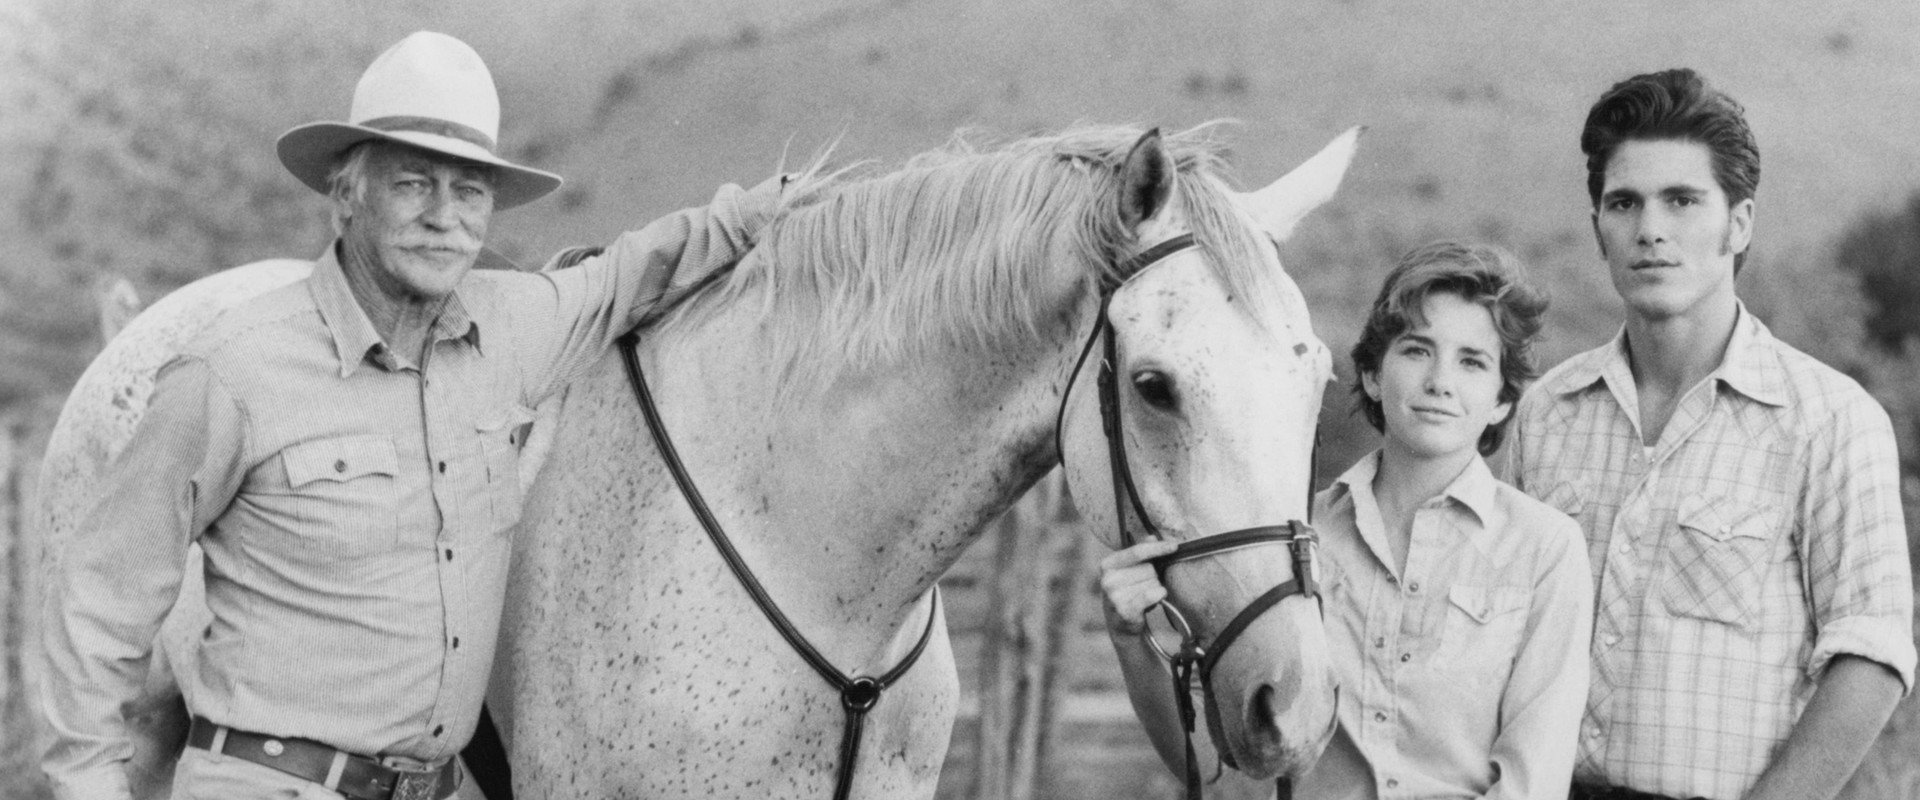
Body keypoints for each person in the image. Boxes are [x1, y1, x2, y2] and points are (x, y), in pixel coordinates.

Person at [39, 31, 787, 800]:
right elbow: (100, 595)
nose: (444, 217)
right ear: (345, 195)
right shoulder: (233, 368)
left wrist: (783, 204)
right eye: (412, 184)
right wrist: (90, 784)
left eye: (469, 192)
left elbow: (634, 270)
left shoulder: (514, 329)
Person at [1509, 68, 1916, 800]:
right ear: (1598, 227)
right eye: (1623, 203)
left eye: (1683, 200)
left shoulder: (1831, 421)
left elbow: (1872, 659)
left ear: (1739, 222)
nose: (1651, 229)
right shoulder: (1547, 414)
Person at [1103, 241, 1593, 798]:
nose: (1440, 381)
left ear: (1503, 400)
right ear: (1371, 376)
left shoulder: (1545, 548)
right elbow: (1212, 765)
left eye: (1472, 361)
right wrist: (1130, 641)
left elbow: (1535, 781)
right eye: (1416, 350)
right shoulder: (1295, 533)